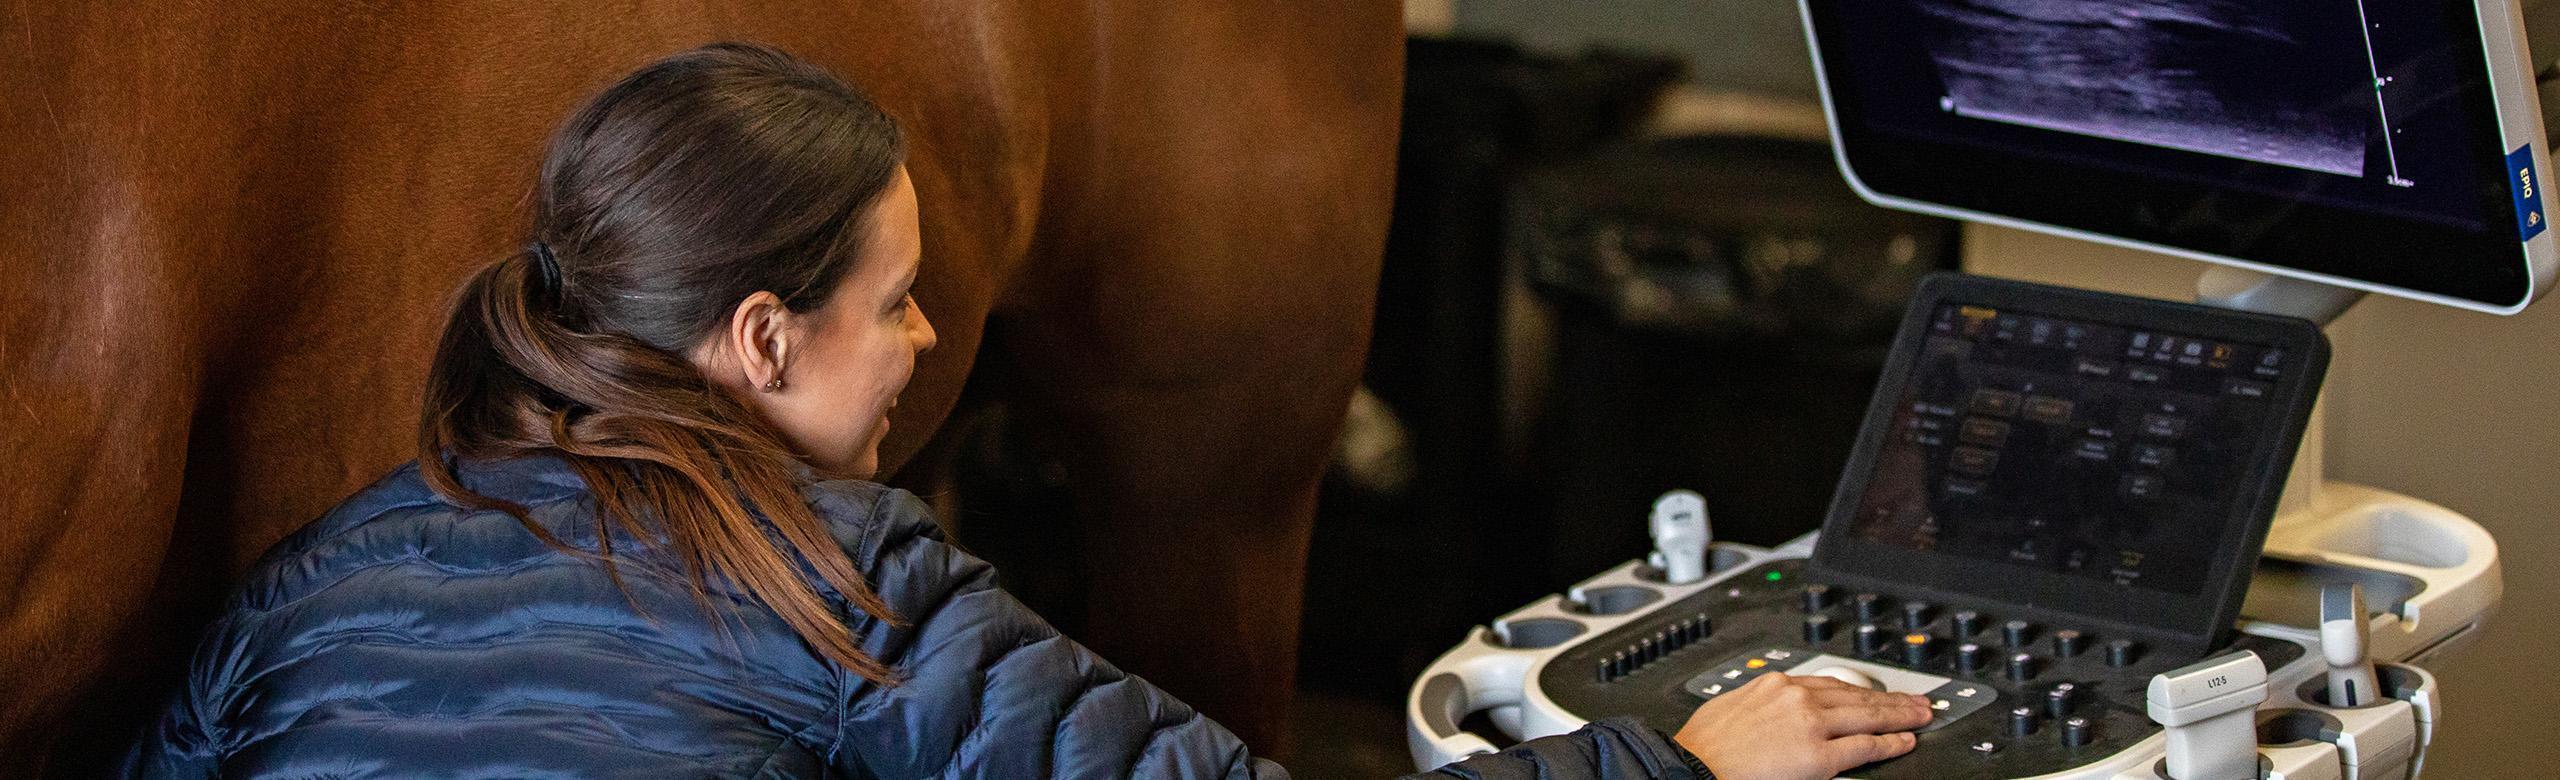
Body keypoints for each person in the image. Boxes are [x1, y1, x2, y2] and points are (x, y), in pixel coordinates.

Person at [121, 42, 1929, 778]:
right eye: (892, 298)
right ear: (761, 341)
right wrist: (1683, 762)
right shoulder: (844, 588)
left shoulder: (316, 581)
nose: (922, 342)